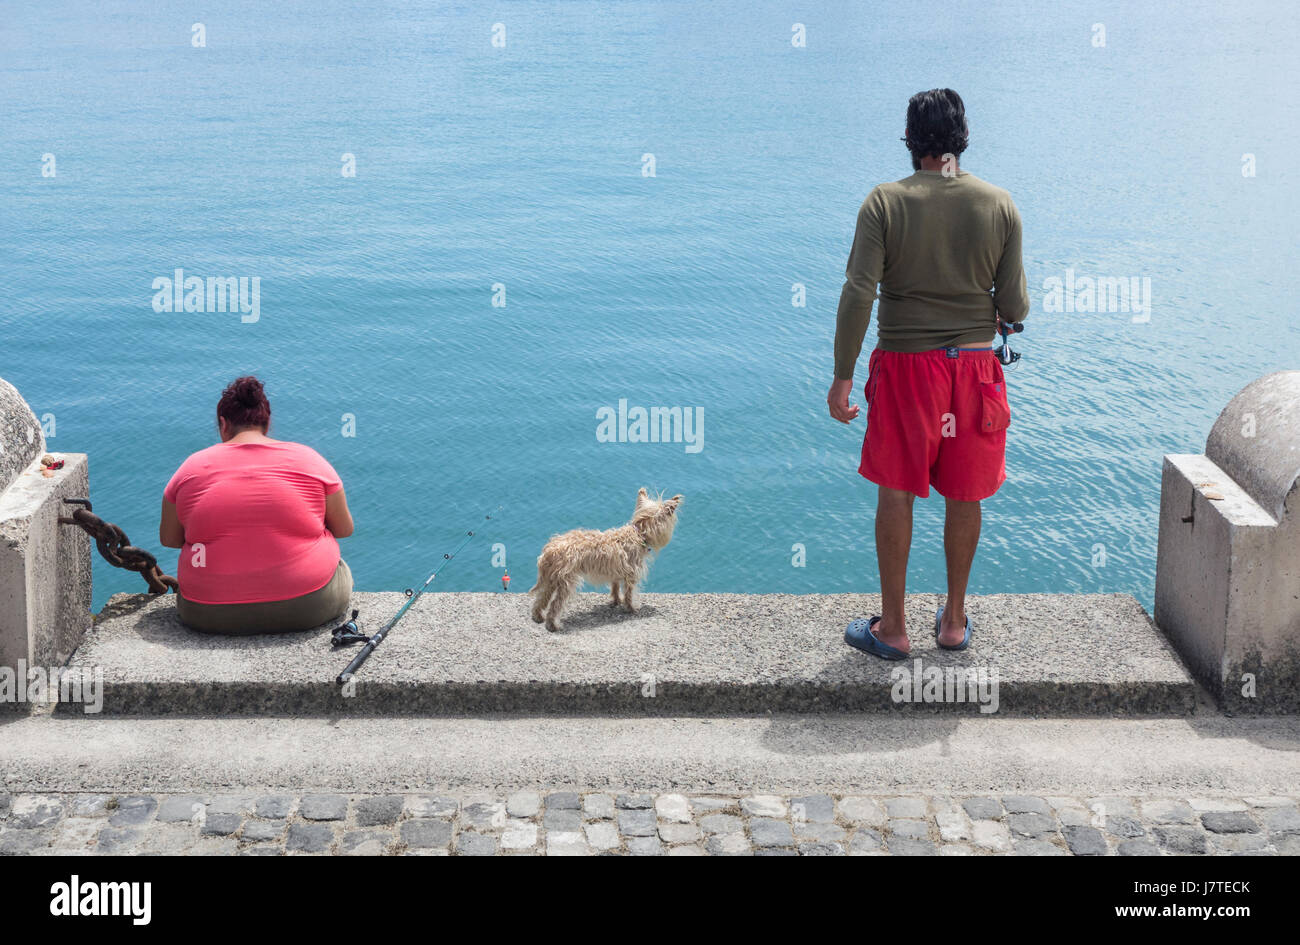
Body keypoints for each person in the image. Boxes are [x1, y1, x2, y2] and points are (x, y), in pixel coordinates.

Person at [827, 88, 1029, 660]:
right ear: (962, 140)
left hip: (906, 370)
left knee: (898, 490)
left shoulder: (883, 203)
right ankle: (954, 622)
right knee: (965, 493)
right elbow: (1014, 306)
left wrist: (842, 376)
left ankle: (893, 628)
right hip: (973, 369)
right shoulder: (1000, 205)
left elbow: (858, 292)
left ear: (910, 141)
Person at [160, 375, 355, 634]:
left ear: (223, 423)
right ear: (268, 422)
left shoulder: (190, 469)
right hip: (308, 607)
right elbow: (343, 529)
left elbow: (170, 539)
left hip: (206, 612)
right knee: (340, 566)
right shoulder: (310, 460)